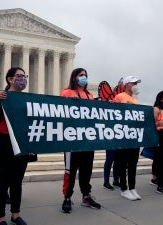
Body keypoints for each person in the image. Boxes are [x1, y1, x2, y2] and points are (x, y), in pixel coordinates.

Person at [0, 67, 29, 225]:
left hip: (21, 143)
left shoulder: (27, 98)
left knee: (17, 181)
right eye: (19, 76)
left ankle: (15, 214)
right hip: (3, 142)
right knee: (3, 181)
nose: (23, 79)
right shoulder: (1, 96)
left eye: (24, 76)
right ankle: (0, 218)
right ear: (10, 79)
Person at [61, 68, 101, 213]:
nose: (83, 77)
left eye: (85, 75)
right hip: (72, 139)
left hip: (88, 139)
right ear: (74, 77)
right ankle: (67, 197)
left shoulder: (90, 95)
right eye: (80, 75)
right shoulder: (66, 93)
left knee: (86, 170)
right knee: (70, 170)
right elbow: (60, 112)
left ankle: (86, 195)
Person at [111, 75, 142, 200]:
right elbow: (113, 114)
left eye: (136, 83)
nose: (136, 85)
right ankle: (124, 189)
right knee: (122, 163)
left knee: (133, 163)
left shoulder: (135, 100)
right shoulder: (120, 97)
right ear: (126, 84)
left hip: (133, 136)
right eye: (133, 83)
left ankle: (132, 187)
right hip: (122, 135)